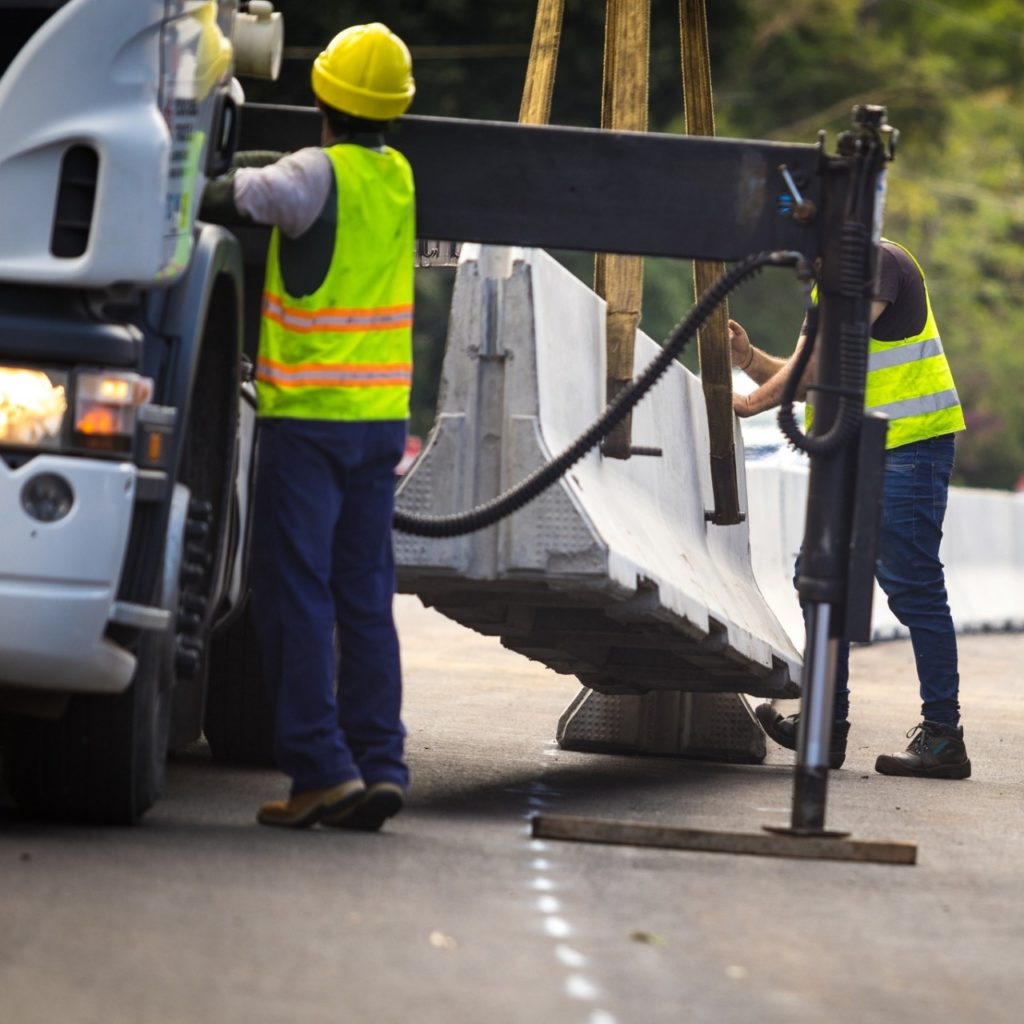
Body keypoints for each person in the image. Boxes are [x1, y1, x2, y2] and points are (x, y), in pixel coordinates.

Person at [202, 23, 417, 827]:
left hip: (310, 424)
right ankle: (378, 761)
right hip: (377, 423)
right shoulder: (397, 178)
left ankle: (320, 770)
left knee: (294, 597)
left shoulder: (308, 175)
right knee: (364, 598)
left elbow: (230, 194)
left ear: (321, 99)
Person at [730, 238, 970, 779]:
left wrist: (746, 403)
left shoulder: (874, 262)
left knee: (912, 585)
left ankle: (944, 736)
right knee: (818, 577)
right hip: (850, 447)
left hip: (908, 446)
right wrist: (747, 362)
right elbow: (805, 375)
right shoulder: (829, 285)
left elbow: (822, 362)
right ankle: (824, 724)